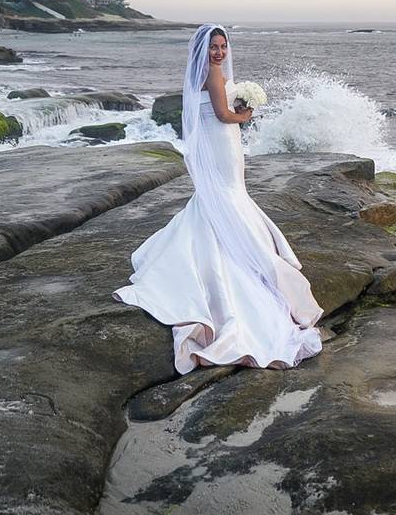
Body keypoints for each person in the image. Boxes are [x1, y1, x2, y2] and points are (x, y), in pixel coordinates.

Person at [113, 24, 324, 373]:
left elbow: (216, 111)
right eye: (214, 46)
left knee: (223, 197)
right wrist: (246, 113)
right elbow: (225, 115)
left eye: (223, 46)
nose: (220, 52)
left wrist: (237, 104)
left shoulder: (210, 74)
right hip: (222, 145)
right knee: (228, 197)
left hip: (222, 145)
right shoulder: (212, 74)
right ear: (203, 50)